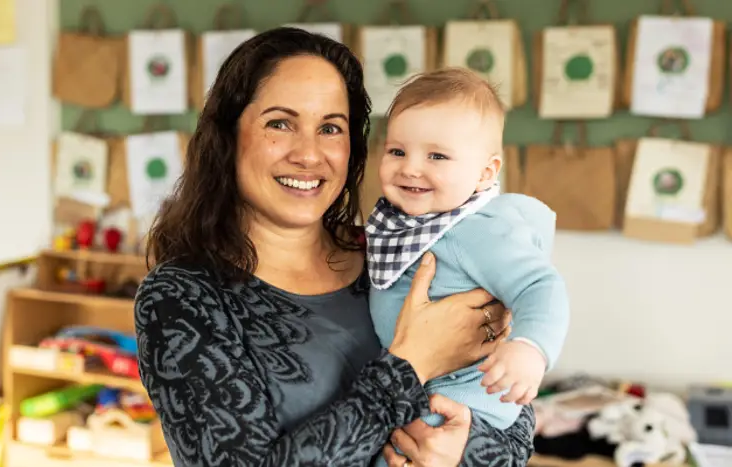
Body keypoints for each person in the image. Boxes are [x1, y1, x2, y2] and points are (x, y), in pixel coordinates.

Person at [135, 27, 536, 467]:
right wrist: (412, 363)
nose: (309, 154)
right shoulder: (180, 298)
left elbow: (514, 428)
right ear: (228, 136)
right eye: (280, 123)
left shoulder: (398, 257)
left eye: (330, 128)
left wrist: (457, 451)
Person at [365, 68, 569, 464]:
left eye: (437, 156)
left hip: (462, 400)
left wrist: (530, 348)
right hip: (422, 387)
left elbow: (541, 285)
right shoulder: (402, 224)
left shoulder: (472, 233)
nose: (411, 167)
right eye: (397, 151)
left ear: (485, 173)